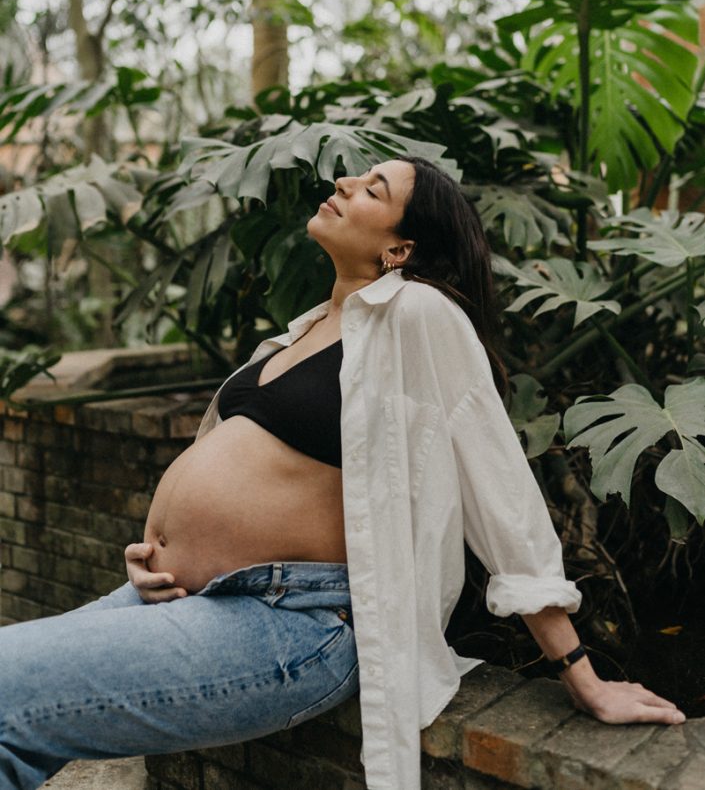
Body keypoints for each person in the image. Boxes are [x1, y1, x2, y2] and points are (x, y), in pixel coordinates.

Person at [0, 156, 685, 790]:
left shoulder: (419, 315)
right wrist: (161, 552)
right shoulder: (303, 330)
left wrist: (579, 675)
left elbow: (499, 490)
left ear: (398, 250)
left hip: (294, 623)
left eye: (371, 190)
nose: (344, 185)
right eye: (353, 178)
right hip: (191, 599)